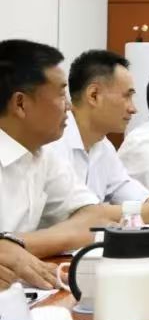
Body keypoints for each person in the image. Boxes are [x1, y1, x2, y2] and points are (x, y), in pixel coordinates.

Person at [0, 40, 125, 264]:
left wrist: (16, 246)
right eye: (60, 94)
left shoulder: (41, 155)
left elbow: (94, 217)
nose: (69, 105)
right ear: (20, 103)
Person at [47, 50, 149, 221]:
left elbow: (140, 198)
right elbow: (85, 213)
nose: (133, 109)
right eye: (127, 97)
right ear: (94, 95)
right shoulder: (54, 143)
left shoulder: (103, 147)